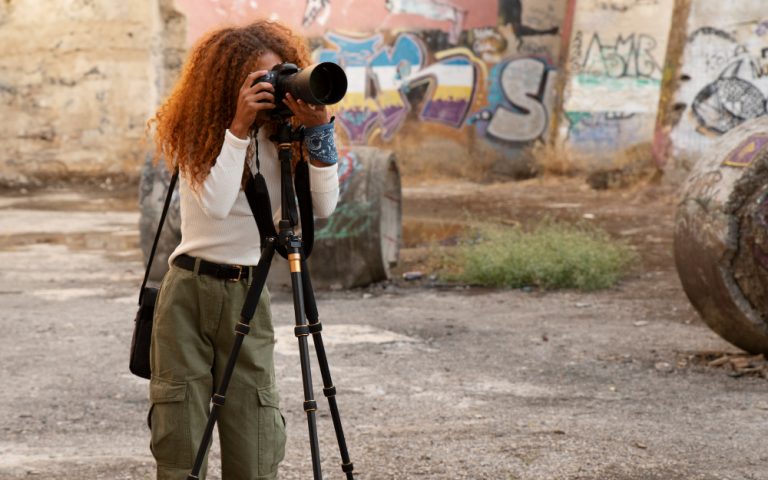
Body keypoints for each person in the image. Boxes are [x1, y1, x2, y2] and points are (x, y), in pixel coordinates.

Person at [147, 20, 340, 480]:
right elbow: (216, 206)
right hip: (189, 293)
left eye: (283, 76)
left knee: (254, 435)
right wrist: (238, 127)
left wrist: (319, 133)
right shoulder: (202, 136)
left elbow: (324, 207)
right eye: (263, 80)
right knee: (181, 437)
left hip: (248, 291)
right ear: (230, 86)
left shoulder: (286, 140)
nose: (276, 89)